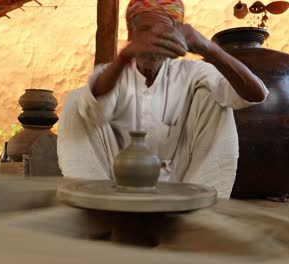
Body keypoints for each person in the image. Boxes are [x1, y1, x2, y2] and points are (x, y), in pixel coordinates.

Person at [58, 0, 269, 198]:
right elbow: (92, 107)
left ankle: (201, 208)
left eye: (165, 33)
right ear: (131, 33)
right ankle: (93, 204)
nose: (154, 42)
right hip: (115, 183)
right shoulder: (113, 74)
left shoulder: (192, 72)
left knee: (213, 98)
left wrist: (210, 49)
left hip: (181, 183)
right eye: (146, 31)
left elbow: (255, 94)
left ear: (178, 37)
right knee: (78, 100)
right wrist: (124, 56)